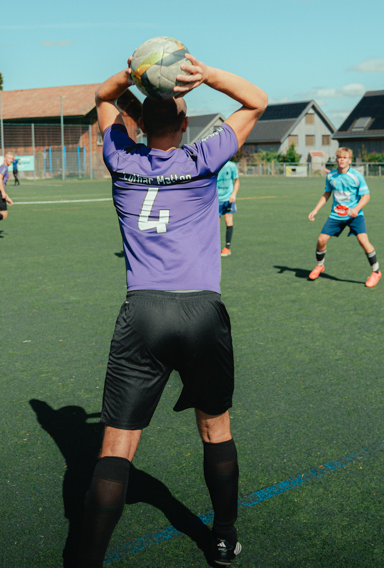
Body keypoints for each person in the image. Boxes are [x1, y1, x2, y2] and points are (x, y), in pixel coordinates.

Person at [77, 52, 266, 568]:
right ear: (185, 125)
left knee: (116, 447)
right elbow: (257, 102)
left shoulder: (121, 160)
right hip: (201, 312)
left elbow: (102, 97)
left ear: (138, 125)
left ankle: (85, 560)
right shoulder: (202, 159)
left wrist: (132, 75)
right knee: (215, 429)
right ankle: (223, 538)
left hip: (143, 312)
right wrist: (207, 75)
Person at [307, 147, 381, 287]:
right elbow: (327, 194)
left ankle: (376, 272)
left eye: (345, 158)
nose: (341, 160)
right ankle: (320, 266)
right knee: (321, 240)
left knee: (363, 241)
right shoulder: (331, 176)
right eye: (339, 157)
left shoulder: (356, 176)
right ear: (336, 159)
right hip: (336, 215)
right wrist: (315, 210)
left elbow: (366, 196)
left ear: (349, 160)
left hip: (355, 215)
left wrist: (356, 209)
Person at [216, 157, 240, 256]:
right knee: (215, 224)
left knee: (228, 220)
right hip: (216, 199)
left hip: (228, 198)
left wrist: (233, 194)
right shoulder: (214, 165)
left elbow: (237, 182)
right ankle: (216, 247)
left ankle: (227, 247)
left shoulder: (231, 166)